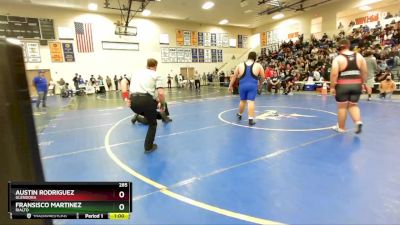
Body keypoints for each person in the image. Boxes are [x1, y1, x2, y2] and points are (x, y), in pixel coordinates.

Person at [128, 58, 165, 153]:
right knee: (153, 123)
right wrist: (162, 105)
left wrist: (125, 97)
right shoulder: (156, 74)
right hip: (145, 101)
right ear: (155, 66)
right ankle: (148, 147)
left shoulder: (137, 72)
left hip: (133, 102)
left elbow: (124, 82)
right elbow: (161, 93)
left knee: (150, 117)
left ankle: (137, 117)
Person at [330, 39, 367, 134]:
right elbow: (365, 71)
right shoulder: (359, 56)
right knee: (353, 105)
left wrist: (332, 87)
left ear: (339, 47)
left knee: (342, 107)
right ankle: (358, 122)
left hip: (343, 85)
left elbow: (334, 74)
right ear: (348, 45)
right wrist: (363, 83)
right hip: (357, 84)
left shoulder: (338, 59)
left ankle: (341, 128)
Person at [228, 52, 265, 126]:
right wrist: (260, 83)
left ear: (248, 57)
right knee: (251, 102)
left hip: (242, 86)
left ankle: (240, 114)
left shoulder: (240, 65)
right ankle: (250, 119)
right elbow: (263, 77)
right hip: (252, 86)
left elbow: (234, 77)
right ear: (255, 58)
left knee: (242, 101)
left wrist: (230, 86)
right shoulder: (258, 65)